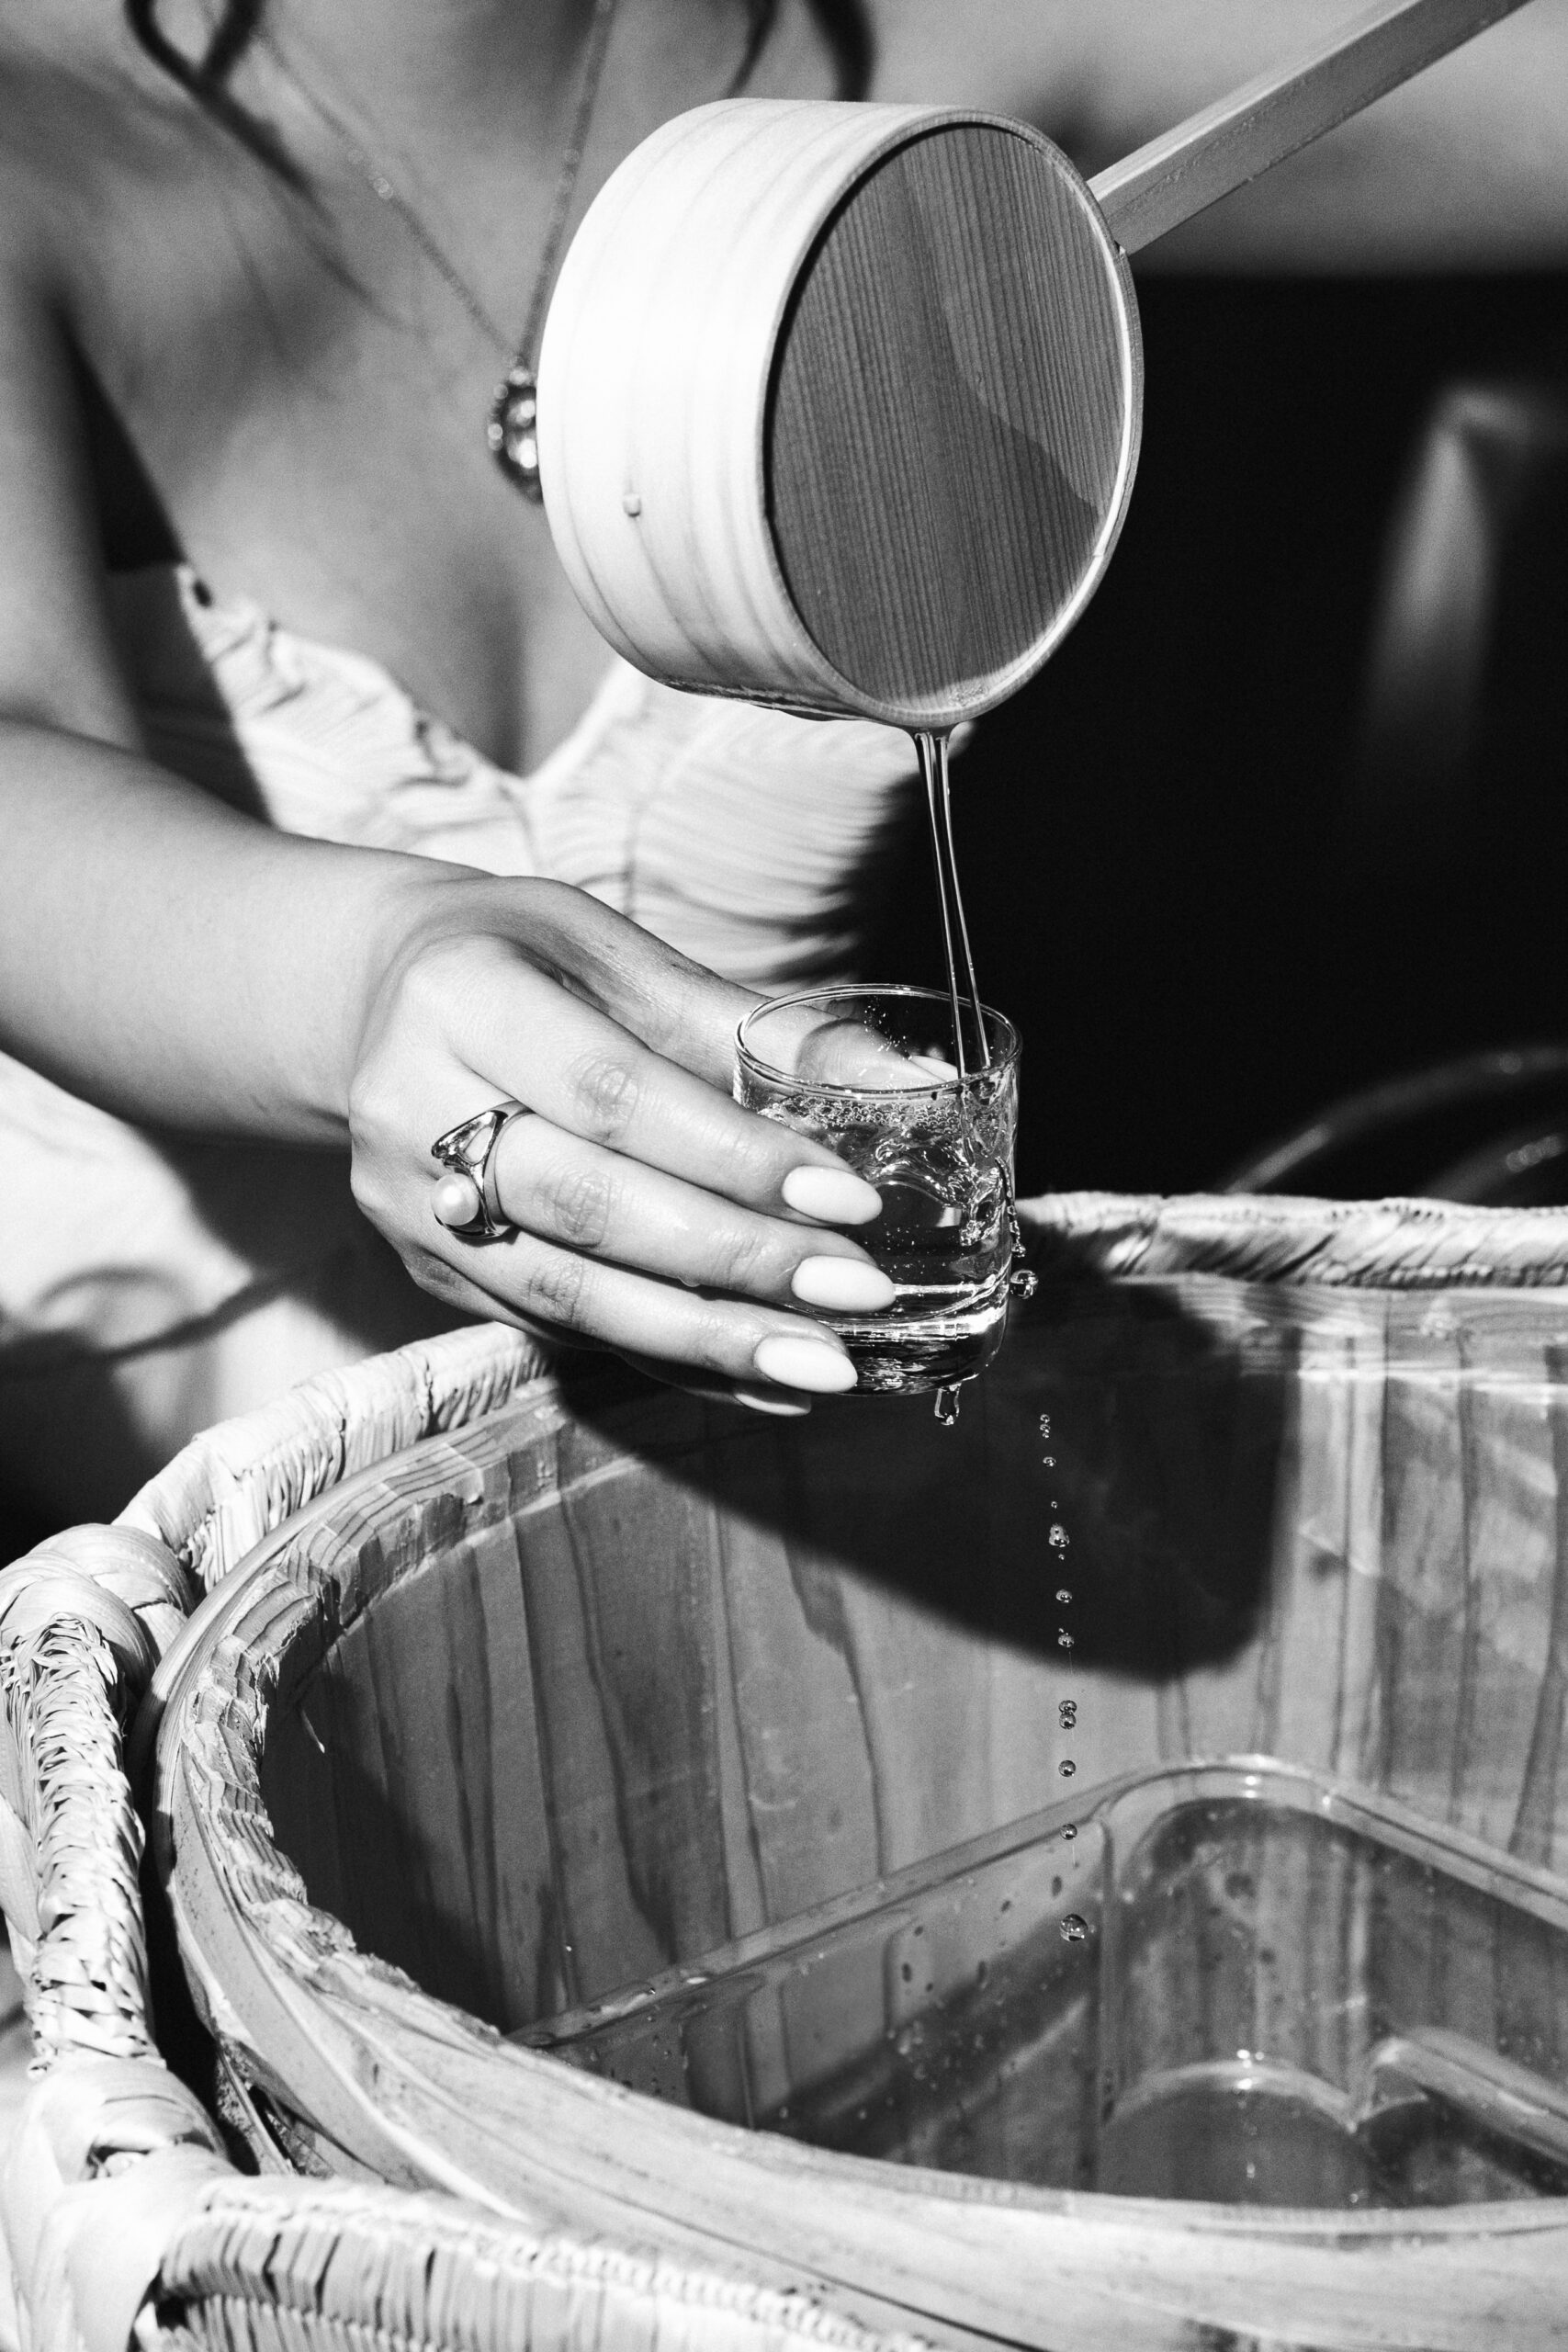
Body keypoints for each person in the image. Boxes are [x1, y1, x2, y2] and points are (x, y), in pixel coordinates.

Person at [2, 0, 1565, 1523]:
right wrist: (369, 976)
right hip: (155, 1538)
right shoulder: (33, 128)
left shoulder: (921, 65)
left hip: (786, 1475)